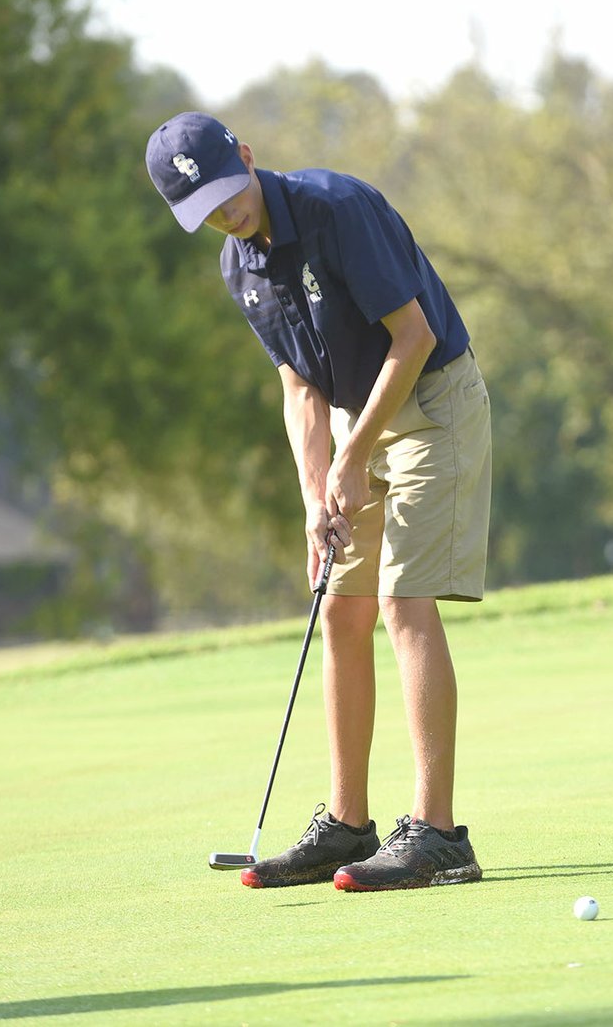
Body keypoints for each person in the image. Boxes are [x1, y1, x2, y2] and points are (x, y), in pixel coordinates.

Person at [145, 112, 492, 892]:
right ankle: (347, 824)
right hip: (351, 423)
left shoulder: (337, 209)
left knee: (404, 603)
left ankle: (439, 836)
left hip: (432, 405)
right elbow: (298, 386)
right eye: (206, 214)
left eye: (230, 193)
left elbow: (414, 337)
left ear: (246, 156)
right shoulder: (240, 269)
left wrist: (357, 454)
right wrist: (315, 493)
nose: (228, 216)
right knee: (341, 606)